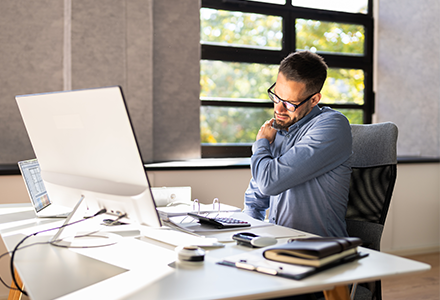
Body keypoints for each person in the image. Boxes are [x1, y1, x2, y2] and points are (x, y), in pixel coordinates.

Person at [243, 50, 352, 237]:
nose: (278, 108)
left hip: (318, 251)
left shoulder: (332, 126)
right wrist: (248, 237)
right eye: (276, 96)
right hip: (277, 247)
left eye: (289, 103)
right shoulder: (279, 129)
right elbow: (255, 199)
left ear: (314, 99)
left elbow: (269, 183)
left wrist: (261, 142)